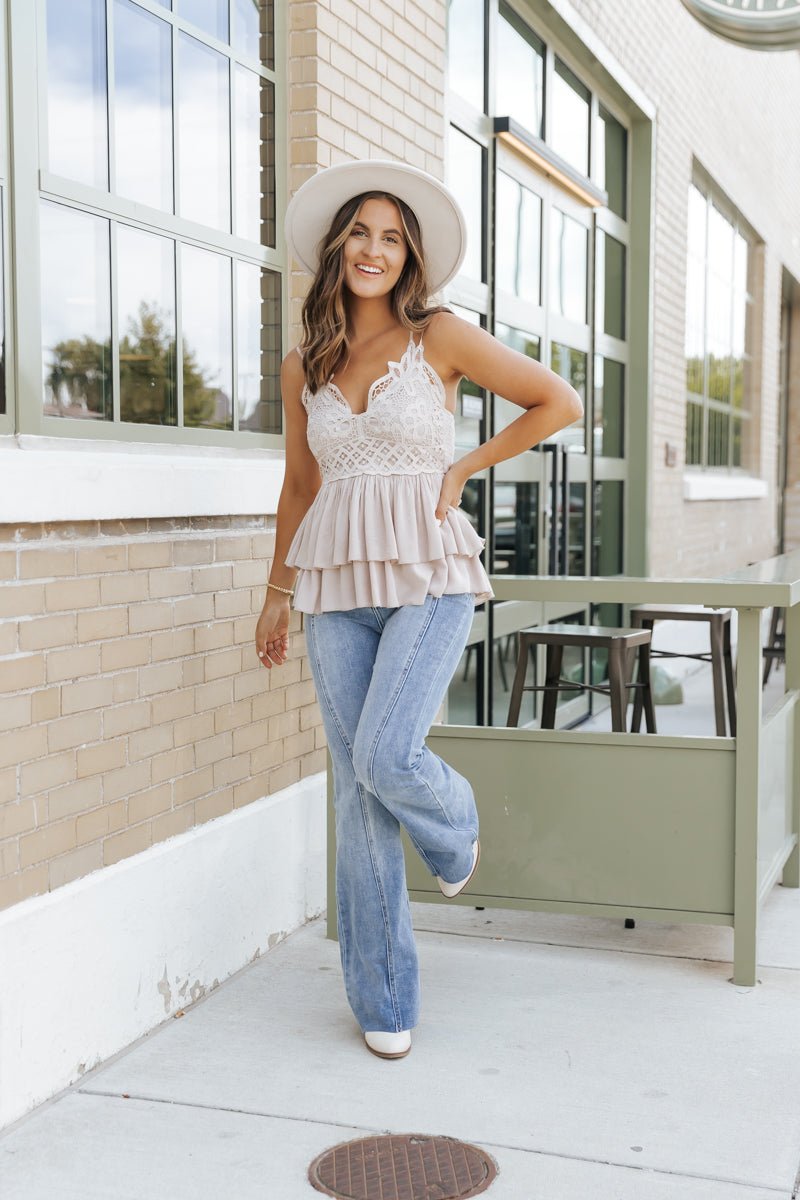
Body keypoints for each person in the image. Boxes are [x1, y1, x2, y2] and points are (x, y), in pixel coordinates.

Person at [255, 159, 583, 1060]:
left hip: (431, 576)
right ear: (335, 250)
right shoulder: (304, 363)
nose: (373, 249)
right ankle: (384, 998)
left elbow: (558, 401)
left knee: (387, 756)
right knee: (357, 794)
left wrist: (464, 467)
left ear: (411, 258)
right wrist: (275, 594)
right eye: (359, 233)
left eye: (391, 237)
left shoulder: (439, 336)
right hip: (331, 589)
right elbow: (296, 485)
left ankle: (456, 820)